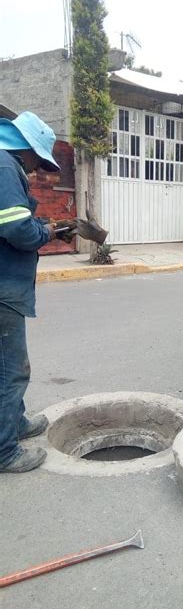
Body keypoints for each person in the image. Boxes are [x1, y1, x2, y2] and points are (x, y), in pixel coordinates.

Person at [0, 111, 61, 473]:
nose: (38, 167)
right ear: (27, 148)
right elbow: (17, 230)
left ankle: (15, 424)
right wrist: (47, 233)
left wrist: (40, 224)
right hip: (3, 288)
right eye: (38, 159)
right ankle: (5, 450)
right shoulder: (7, 168)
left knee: (5, 367)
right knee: (12, 370)